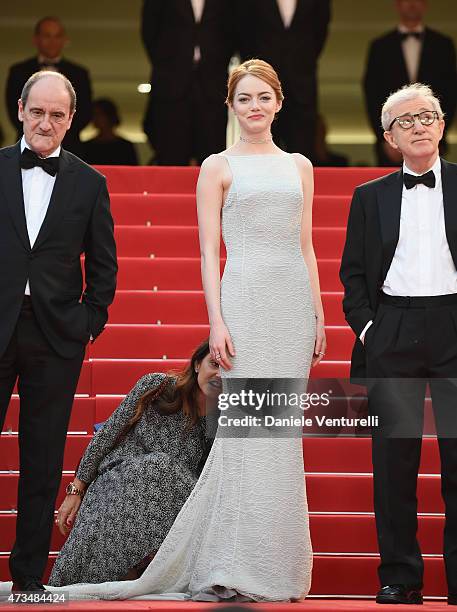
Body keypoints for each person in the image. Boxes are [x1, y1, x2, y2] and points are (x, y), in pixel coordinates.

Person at [46, 59, 326, 601]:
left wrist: (318, 313)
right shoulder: (217, 167)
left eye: (263, 97)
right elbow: (206, 252)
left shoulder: (300, 165)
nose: (254, 107)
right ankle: (233, 562)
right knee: (244, 435)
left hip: (291, 303)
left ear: (279, 102)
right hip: (243, 296)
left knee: (280, 437)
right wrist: (217, 320)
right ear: (231, 105)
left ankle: (277, 565)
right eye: (244, 98)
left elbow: (307, 246)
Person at [340, 83, 457, 606]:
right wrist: (370, 329)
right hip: (393, 331)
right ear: (389, 136)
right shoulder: (370, 197)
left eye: (427, 116)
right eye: (406, 121)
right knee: (393, 465)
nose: (419, 125)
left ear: (443, 123)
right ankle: (401, 579)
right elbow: (354, 276)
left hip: (454, 326)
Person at [0, 70, 117, 593]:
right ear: (20, 109)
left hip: (55, 336)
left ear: (71, 121)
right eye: (38, 111)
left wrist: (86, 324)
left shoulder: (90, 183)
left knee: (43, 459)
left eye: (57, 114)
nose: (46, 122)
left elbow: (105, 268)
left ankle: (27, 576)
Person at [47, 339, 216, 586]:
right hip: (119, 482)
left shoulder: (226, 420)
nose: (219, 374)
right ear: (198, 364)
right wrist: (76, 489)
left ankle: (140, 568)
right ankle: (114, 575)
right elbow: (108, 435)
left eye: (228, 370)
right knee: (156, 467)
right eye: (214, 364)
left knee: (165, 472)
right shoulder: (156, 386)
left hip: (173, 504)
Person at [141, 0, 236, 165]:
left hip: (212, 82)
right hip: (171, 81)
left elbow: (235, 30)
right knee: (170, 151)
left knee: (212, 151)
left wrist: (218, 61)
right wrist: (168, 63)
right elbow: (149, 30)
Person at [363, 0, 457, 166]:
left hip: (434, 141)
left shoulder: (443, 45)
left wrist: (438, 135)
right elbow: (372, 96)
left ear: (425, 4)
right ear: (397, 4)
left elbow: (450, 94)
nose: (412, 3)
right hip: (389, 146)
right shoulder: (380, 47)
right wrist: (386, 138)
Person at [237, 0, 331, 160]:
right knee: (260, 155)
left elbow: (319, 31)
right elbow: (243, 32)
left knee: (302, 151)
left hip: (301, 85)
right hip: (261, 82)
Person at [5, 16, 92, 157]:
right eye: (47, 36)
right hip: (27, 147)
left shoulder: (79, 74)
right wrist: (36, 135)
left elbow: (84, 113)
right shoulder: (19, 71)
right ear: (36, 39)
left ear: (65, 40)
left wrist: (57, 133)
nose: (52, 41)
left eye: (57, 36)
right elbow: (13, 110)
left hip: (69, 147)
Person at [83, 98, 138, 165]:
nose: (95, 118)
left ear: (109, 116)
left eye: (99, 114)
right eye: (94, 114)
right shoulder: (87, 147)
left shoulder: (125, 147)